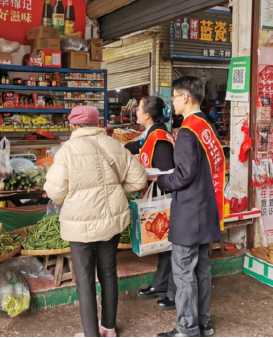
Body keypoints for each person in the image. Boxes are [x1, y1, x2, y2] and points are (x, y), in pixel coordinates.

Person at [44, 106, 147, 337]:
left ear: (73, 125)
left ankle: (91, 333)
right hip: (111, 221)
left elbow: (54, 191)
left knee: (85, 278)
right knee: (109, 272)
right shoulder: (115, 145)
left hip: (79, 224)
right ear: (97, 122)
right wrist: (116, 191)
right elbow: (139, 180)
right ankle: (109, 328)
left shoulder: (67, 150)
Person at [156, 77, 225, 338]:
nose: (172, 102)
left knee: (184, 271)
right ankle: (204, 324)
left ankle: (187, 329)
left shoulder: (187, 131)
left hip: (188, 212)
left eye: (174, 97)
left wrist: (161, 180)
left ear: (185, 97)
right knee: (203, 269)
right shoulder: (207, 125)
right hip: (208, 209)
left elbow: (184, 175)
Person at [125, 96, 177, 311]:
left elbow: (166, 169)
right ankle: (160, 284)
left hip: (166, 195)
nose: (135, 111)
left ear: (147, 114)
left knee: (172, 245)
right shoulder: (152, 133)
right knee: (165, 243)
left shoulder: (160, 137)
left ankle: (173, 293)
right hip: (157, 193)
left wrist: (147, 176)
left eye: (138, 108)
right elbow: (137, 145)